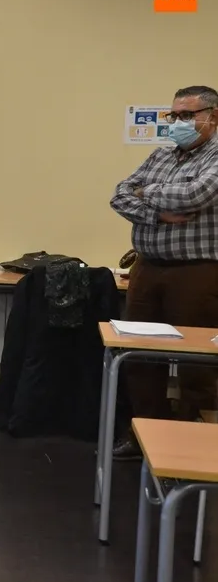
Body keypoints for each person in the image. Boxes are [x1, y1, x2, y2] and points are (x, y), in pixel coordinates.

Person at [109, 85, 218, 459]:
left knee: (197, 364)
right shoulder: (161, 156)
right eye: (174, 116)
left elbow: (196, 196)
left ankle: (194, 447)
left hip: (198, 273)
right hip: (148, 269)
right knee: (139, 356)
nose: (177, 123)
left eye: (187, 116)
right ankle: (143, 438)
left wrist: (146, 193)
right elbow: (119, 194)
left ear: (212, 117)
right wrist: (156, 210)